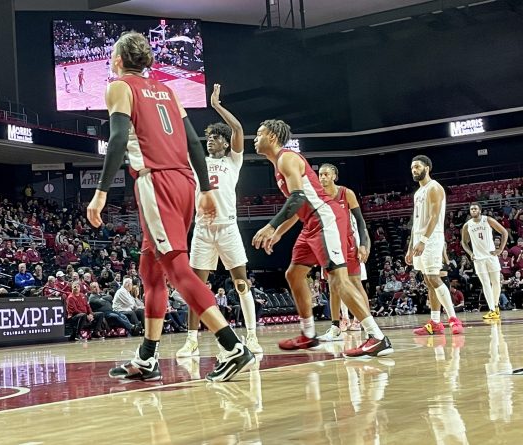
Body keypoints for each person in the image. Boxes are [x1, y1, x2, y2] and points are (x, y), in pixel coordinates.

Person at [86, 31, 255, 382]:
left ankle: (232, 346)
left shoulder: (120, 86)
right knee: (150, 270)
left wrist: (101, 191)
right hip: (184, 181)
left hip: (156, 182)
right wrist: (205, 187)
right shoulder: (166, 90)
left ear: (118, 59)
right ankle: (147, 357)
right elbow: (194, 141)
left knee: (178, 269)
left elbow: (117, 138)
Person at [251, 119, 392, 358]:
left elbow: (296, 198)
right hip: (310, 223)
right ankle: (308, 335)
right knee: (293, 274)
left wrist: (270, 226)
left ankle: (378, 337)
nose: (255, 138)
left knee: (338, 281)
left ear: (272, 137)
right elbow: (299, 206)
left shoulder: (287, 158)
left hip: (325, 219)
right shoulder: (279, 166)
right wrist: (278, 233)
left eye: (259, 133)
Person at [177, 84, 262, 359]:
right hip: (202, 230)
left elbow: (238, 129)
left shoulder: (233, 161)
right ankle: (191, 340)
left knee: (240, 284)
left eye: (215, 137)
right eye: (209, 137)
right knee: (196, 288)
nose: (210, 140)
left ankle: (251, 335)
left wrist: (216, 106)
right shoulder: (197, 161)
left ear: (225, 143)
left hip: (228, 227)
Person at [405, 155, 464, 336]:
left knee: (434, 277)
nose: (414, 170)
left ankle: (453, 318)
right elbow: (416, 222)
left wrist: (423, 240)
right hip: (419, 238)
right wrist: (410, 247)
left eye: (417, 167)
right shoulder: (417, 193)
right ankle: (435, 322)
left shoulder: (434, 187)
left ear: (427, 168)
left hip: (431, 238)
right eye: (412, 167)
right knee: (428, 281)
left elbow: (434, 216)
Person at [317, 163, 372, 341]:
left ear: (334, 176)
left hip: (348, 243)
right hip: (329, 245)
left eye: (326, 174)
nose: (323, 177)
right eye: (320, 174)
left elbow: (360, 221)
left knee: (356, 283)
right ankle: (335, 327)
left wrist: (363, 244)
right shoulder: (318, 196)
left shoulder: (346, 193)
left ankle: (368, 324)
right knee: (333, 286)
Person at [461, 202, 508, 320]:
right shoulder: (467, 225)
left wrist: (500, 249)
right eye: (471, 209)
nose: (473, 211)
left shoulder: (488, 220)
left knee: (496, 282)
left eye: (475, 209)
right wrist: (470, 253)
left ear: (480, 210)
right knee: (485, 284)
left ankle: (496, 307)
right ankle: (492, 309)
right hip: (478, 259)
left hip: (491, 256)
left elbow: (504, 232)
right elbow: (464, 242)